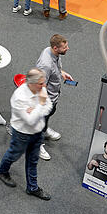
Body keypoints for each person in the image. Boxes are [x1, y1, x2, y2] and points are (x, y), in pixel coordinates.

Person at [0, 67, 52, 200]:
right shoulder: (19, 97)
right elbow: (30, 121)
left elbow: (49, 107)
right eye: (41, 83)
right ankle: (2, 171)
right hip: (22, 134)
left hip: (38, 132)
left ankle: (32, 187)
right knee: (13, 155)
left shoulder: (41, 89)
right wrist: (41, 104)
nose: (44, 86)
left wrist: (35, 110)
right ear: (31, 83)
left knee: (33, 160)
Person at [36, 34, 73, 162]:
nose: (68, 48)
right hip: (46, 99)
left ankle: (44, 130)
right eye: (65, 47)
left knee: (46, 118)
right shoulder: (45, 64)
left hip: (53, 96)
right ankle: (37, 145)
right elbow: (40, 85)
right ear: (56, 48)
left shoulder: (51, 51)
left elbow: (54, 68)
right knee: (40, 121)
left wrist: (61, 73)